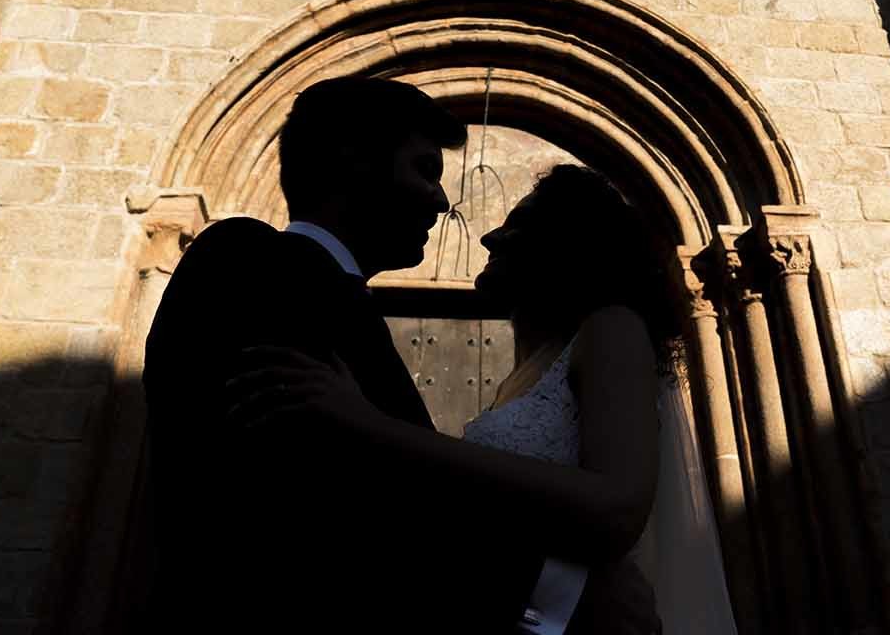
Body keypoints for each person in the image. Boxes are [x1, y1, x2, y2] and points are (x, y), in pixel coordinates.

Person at [141, 76, 658, 633]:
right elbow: (330, 508)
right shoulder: (248, 261)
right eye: (424, 171)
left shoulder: (349, 309)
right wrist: (561, 592)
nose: (442, 200)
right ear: (354, 161)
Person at [230, 163, 739, 634]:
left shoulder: (612, 329)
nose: (490, 235)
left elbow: (618, 507)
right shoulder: (528, 372)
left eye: (518, 225)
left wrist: (367, 425)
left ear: (567, 245)